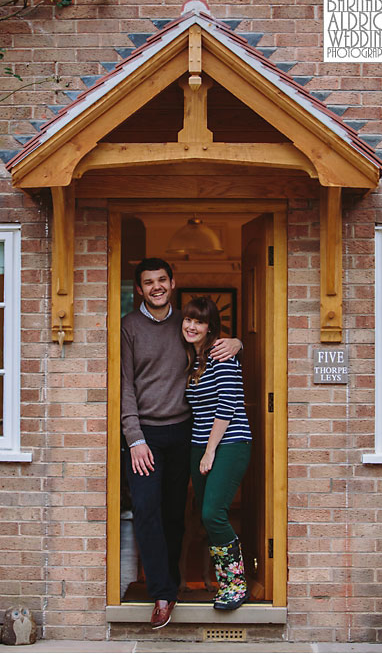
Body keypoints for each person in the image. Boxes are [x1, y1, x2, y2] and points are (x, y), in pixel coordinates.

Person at [120, 258, 241, 629]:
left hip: (184, 432)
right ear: (139, 289)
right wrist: (135, 437)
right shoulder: (128, 327)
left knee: (176, 515)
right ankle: (161, 592)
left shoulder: (185, 324)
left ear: (172, 283)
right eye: (147, 282)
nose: (155, 286)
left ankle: (171, 587)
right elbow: (125, 387)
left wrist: (236, 343)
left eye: (161, 280)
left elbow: (216, 355)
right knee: (146, 510)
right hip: (145, 436)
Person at [181, 296, 252, 610]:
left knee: (213, 513)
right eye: (188, 319)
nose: (192, 326)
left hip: (230, 444)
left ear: (210, 327)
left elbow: (227, 406)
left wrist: (210, 452)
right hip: (199, 446)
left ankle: (236, 585)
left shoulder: (222, 354)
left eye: (199, 321)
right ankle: (225, 586)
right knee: (206, 517)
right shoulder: (193, 360)